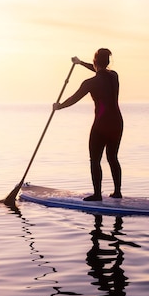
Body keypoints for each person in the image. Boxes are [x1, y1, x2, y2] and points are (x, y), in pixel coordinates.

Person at [53, 49, 124, 200]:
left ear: (95, 62)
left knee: (95, 159)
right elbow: (100, 71)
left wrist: (59, 106)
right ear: (107, 62)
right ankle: (117, 192)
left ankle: (97, 194)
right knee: (113, 157)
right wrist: (80, 63)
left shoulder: (90, 83)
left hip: (101, 124)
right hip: (117, 122)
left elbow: (74, 98)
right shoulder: (114, 76)